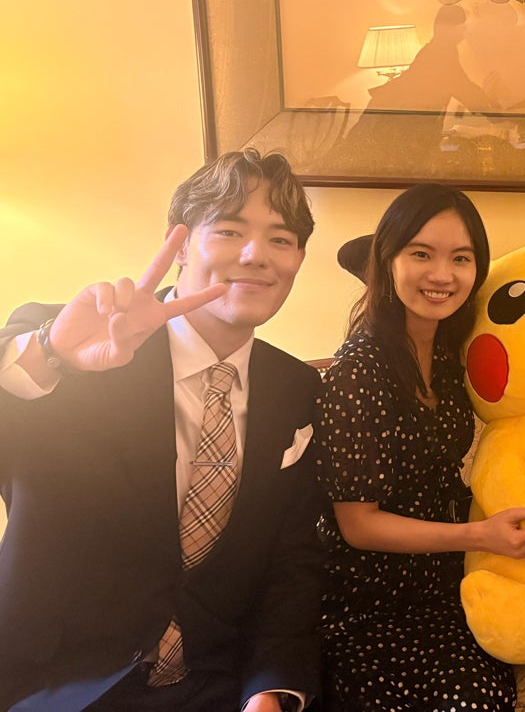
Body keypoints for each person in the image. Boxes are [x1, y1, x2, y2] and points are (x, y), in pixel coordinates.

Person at [0, 149, 324, 712]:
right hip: (57, 682)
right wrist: (53, 354)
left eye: (281, 239)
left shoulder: (297, 388)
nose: (256, 255)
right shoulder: (80, 343)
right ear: (180, 246)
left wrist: (271, 688)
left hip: (214, 683)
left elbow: (289, 564)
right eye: (229, 229)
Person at [314, 184, 525, 711]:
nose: (442, 275)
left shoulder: (449, 357)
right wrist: (481, 536)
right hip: (364, 600)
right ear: (387, 261)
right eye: (421, 253)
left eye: (460, 258)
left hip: (443, 586)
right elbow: (358, 524)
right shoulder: (356, 373)